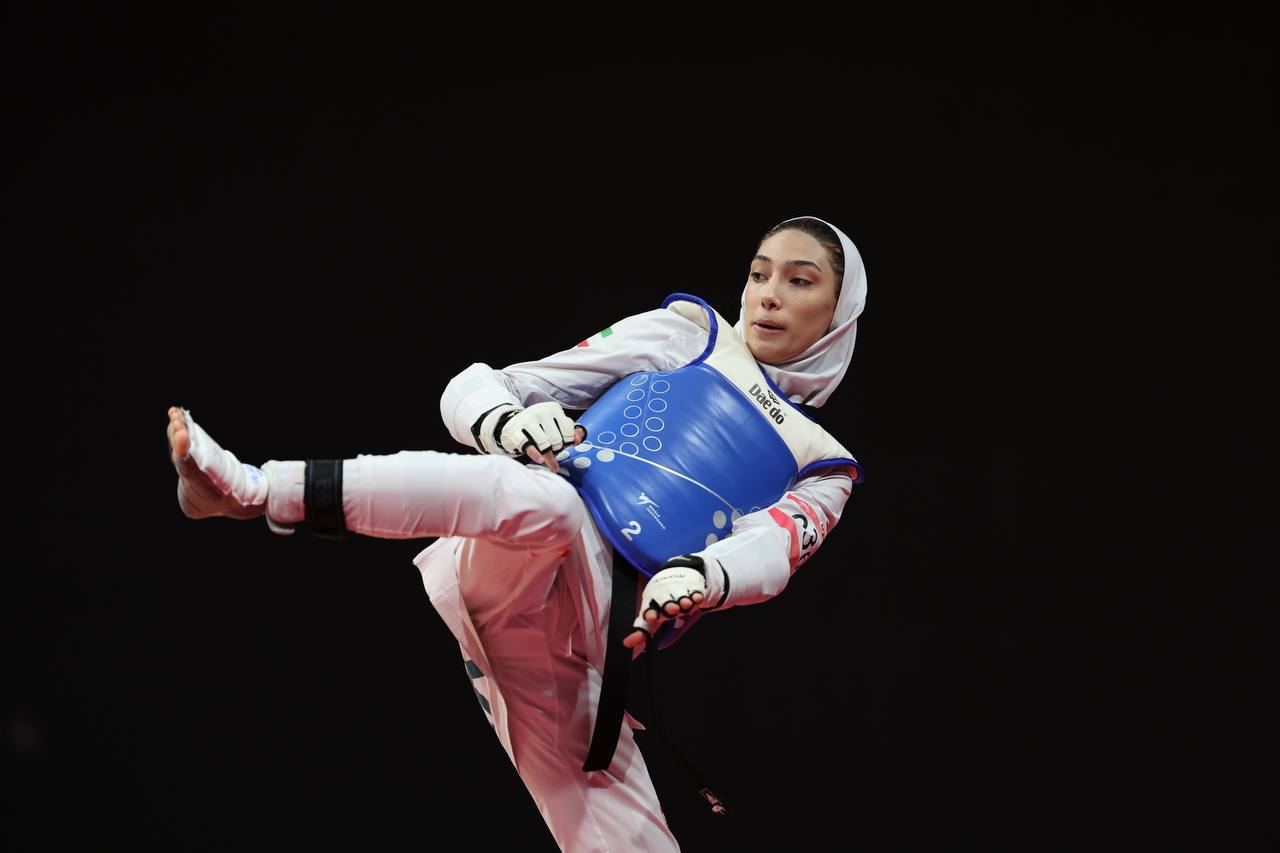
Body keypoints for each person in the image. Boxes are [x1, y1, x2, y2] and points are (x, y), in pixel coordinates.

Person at [165, 215, 868, 852]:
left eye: (799, 281)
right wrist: (506, 421)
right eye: (758, 273)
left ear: (840, 315)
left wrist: (705, 576)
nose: (768, 295)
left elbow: (772, 549)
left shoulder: (824, 464)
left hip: (585, 641)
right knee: (551, 506)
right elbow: (481, 385)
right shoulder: (690, 335)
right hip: (523, 552)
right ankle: (255, 491)